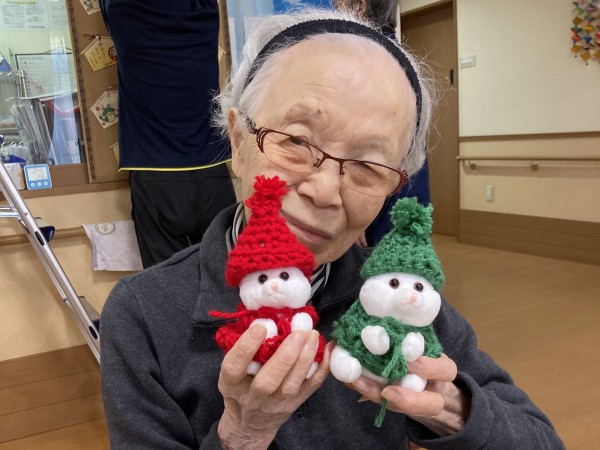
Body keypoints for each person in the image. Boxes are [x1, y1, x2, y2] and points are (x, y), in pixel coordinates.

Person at [100, 8, 565, 449]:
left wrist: (449, 407)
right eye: (296, 141)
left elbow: (540, 439)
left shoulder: (399, 296)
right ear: (239, 143)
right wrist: (242, 434)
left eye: (368, 166)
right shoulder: (142, 313)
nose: (324, 190)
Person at [99, 0, 237, 267]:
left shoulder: (125, 13)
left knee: (165, 286)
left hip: (156, 174)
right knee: (223, 282)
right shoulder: (206, 15)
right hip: (213, 173)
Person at [334, 0, 431, 247]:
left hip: (379, 195)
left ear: (358, 6)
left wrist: (354, 216)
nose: (333, 5)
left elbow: (358, 144)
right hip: (403, 192)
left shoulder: (367, 64)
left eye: (337, 0)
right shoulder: (401, 61)